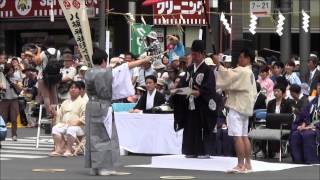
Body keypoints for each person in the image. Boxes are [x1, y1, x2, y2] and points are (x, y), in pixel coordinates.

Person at [84, 47, 152, 176]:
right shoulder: (104, 73)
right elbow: (126, 67)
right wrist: (142, 60)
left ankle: (95, 167)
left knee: (93, 137)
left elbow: (121, 68)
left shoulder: (88, 73)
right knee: (106, 136)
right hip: (103, 106)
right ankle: (104, 167)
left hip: (91, 105)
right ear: (104, 60)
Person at [213, 49, 257, 173]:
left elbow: (227, 76)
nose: (239, 60)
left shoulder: (242, 71)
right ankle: (248, 164)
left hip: (237, 107)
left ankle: (240, 164)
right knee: (244, 136)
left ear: (248, 59)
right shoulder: (250, 72)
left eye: (242, 57)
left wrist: (218, 64)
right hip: (245, 107)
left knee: (237, 137)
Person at [172, 40, 217, 159]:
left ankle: (203, 151)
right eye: (192, 54)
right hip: (190, 104)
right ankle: (190, 149)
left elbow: (209, 88)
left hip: (202, 105)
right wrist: (177, 90)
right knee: (190, 126)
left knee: (201, 127)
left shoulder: (208, 70)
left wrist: (199, 92)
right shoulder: (190, 68)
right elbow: (183, 83)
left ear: (203, 54)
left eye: (196, 54)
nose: (194, 57)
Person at [49, 81, 86, 157]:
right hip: (66, 124)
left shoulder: (83, 102)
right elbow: (60, 115)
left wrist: (77, 122)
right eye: (71, 88)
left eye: (75, 88)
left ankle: (68, 150)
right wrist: (57, 121)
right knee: (55, 128)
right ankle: (59, 149)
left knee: (71, 129)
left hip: (80, 127)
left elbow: (85, 116)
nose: (73, 89)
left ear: (80, 90)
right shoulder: (65, 102)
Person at [290, 80, 320, 164]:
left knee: (308, 134)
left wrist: (313, 126)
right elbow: (305, 115)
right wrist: (303, 124)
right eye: (318, 85)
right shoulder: (313, 101)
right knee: (296, 133)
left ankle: (312, 160)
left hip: (316, 127)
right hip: (310, 125)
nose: (319, 87)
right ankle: (298, 160)